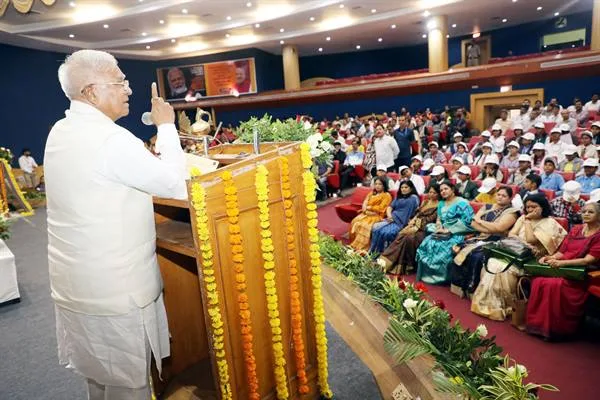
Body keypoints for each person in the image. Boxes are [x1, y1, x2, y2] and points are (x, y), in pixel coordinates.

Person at [45, 50, 188, 399]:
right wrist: (166, 125)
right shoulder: (111, 139)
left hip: (76, 285)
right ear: (92, 92)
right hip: (117, 290)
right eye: (119, 81)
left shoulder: (60, 131)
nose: (128, 89)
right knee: (129, 386)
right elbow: (179, 185)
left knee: (99, 379)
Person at [471, 195, 567, 321]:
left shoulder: (550, 223)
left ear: (542, 207)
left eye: (534, 207)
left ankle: (506, 306)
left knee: (502, 267)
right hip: (516, 252)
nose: (530, 210)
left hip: (532, 258)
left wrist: (527, 222)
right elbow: (512, 234)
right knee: (493, 263)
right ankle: (487, 304)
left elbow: (531, 239)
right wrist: (524, 241)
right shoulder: (522, 217)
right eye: (528, 207)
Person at [528, 202, 600, 339]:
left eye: (590, 212)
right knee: (539, 281)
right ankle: (537, 326)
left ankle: (556, 330)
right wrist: (550, 257)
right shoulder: (576, 229)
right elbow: (563, 251)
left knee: (554, 285)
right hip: (561, 266)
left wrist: (561, 263)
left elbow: (588, 260)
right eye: (584, 211)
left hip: (580, 272)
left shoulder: (599, 235)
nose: (585, 214)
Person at [450, 186, 519, 296]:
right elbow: (473, 223)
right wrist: (487, 227)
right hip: (480, 237)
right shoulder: (487, 206)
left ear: (510, 198)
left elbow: (500, 229)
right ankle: (459, 286)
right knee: (457, 247)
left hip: (497, 241)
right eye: (498, 194)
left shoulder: (512, 212)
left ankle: (471, 288)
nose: (500, 197)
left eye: (504, 196)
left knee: (476, 256)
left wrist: (480, 222)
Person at [416, 181, 474, 284]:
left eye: (446, 189)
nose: (443, 191)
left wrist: (449, 230)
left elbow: (468, 221)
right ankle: (427, 275)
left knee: (442, 246)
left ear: (452, 189)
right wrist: (439, 226)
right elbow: (439, 219)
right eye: (441, 190)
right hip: (442, 231)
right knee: (428, 242)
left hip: (457, 232)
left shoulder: (462, 202)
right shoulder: (441, 203)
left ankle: (442, 278)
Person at [378, 184, 441, 274]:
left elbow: (430, 219)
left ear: (438, 194)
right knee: (401, 235)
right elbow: (417, 214)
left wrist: (416, 223)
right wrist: (413, 220)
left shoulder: (439, 205)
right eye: (430, 192)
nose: (431, 194)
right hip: (415, 224)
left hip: (425, 229)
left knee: (409, 238)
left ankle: (405, 266)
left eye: (434, 193)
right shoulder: (426, 202)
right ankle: (385, 262)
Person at [369, 181, 420, 254]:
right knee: (375, 228)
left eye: (406, 187)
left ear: (411, 188)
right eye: (402, 187)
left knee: (386, 233)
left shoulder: (414, 198)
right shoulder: (398, 197)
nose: (403, 189)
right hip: (391, 218)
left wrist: (413, 220)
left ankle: (384, 253)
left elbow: (418, 210)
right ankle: (373, 252)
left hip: (401, 221)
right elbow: (389, 207)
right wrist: (389, 216)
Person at [349, 177, 393, 252]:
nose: (377, 186)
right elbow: (365, 202)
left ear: (384, 185)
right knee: (354, 222)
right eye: (376, 184)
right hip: (366, 214)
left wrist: (369, 207)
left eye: (380, 184)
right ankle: (354, 244)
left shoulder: (387, 195)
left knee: (364, 225)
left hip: (376, 216)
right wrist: (365, 209)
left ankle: (362, 248)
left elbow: (381, 208)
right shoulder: (372, 193)